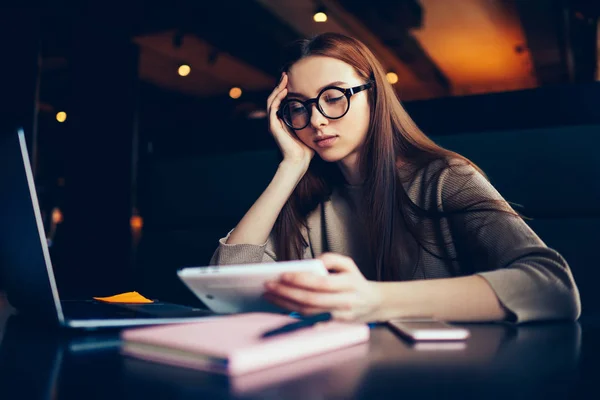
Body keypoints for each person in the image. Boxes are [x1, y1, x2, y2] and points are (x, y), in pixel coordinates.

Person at [210, 32, 580, 323]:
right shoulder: (308, 201)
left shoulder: (444, 178)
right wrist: (289, 168)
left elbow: (553, 288)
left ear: (374, 96)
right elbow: (225, 287)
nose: (317, 119)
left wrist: (373, 300)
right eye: (298, 107)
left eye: (334, 97)